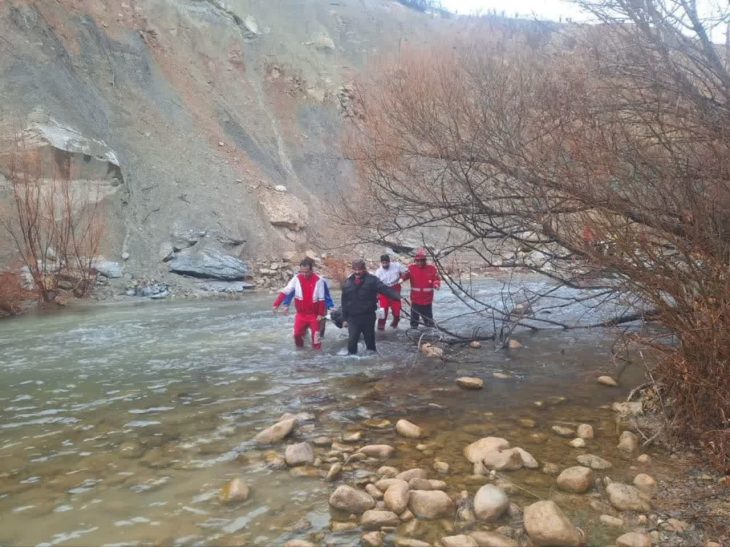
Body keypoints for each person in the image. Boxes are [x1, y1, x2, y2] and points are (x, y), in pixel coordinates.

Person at [341, 259, 402, 355]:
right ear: (352, 270)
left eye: (360, 269)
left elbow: (384, 289)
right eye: (355, 269)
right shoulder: (347, 283)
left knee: (370, 344)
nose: (357, 272)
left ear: (364, 269)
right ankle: (352, 363)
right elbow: (344, 301)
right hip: (353, 318)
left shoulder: (372, 280)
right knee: (352, 342)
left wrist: (397, 296)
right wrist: (344, 319)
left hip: (368, 317)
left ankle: (371, 364)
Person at [272, 258, 327, 349]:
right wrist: (276, 304)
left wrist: (320, 314)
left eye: (307, 272)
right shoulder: (296, 278)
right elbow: (286, 290)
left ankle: (318, 359)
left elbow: (322, 298)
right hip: (301, 314)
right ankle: (301, 354)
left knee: (316, 339)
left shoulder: (319, 280)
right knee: (297, 335)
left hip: (314, 315)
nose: (304, 274)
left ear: (311, 270)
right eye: (302, 272)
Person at [401, 248, 441, 328]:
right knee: (414, 321)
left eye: (422, 260)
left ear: (425, 260)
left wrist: (436, 284)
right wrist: (402, 278)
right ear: (415, 260)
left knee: (429, 321)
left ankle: (430, 335)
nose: (420, 262)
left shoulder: (432, 269)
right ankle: (414, 335)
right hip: (415, 299)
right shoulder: (411, 268)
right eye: (418, 261)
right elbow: (405, 276)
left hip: (427, 300)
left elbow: (437, 279)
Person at [374, 253, 407, 330]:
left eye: (386, 262)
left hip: (395, 288)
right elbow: (375, 284)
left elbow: (405, 272)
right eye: (383, 263)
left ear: (389, 262)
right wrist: (377, 294)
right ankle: (380, 328)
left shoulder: (397, 266)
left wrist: (402, 278)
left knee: (396, 310)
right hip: (384, 290)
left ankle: (394, 325)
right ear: (381, 263)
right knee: (383, 311)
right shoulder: (378, 272)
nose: (385, 264)